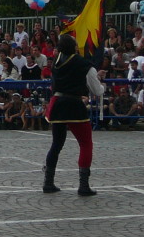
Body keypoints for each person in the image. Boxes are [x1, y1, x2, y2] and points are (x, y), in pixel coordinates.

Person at [42, 35, 105, 196]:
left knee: (56, 144)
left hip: (58, 103)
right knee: (85, 143)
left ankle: (48, 182)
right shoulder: (84, 64)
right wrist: (100, 82)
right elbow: (96, 90)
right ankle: (83, 185)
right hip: (74, 104)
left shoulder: (56, 61)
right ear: (75, 47)